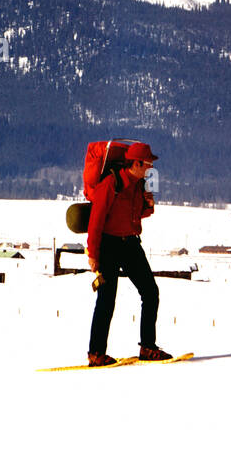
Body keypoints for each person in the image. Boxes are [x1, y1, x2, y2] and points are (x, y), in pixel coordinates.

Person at [85, 142, 174, 366]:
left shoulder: (139, 185)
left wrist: (149, 206)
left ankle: (148, 347)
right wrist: (93, 254)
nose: (151, 168)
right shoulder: (111, 183)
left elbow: (135, 215)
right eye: (148, 164)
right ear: (136, 163)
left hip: (131, 243)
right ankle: (96, 353)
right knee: (106, 298)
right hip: (108, 245)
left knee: (150, 292)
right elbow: (96, 221)